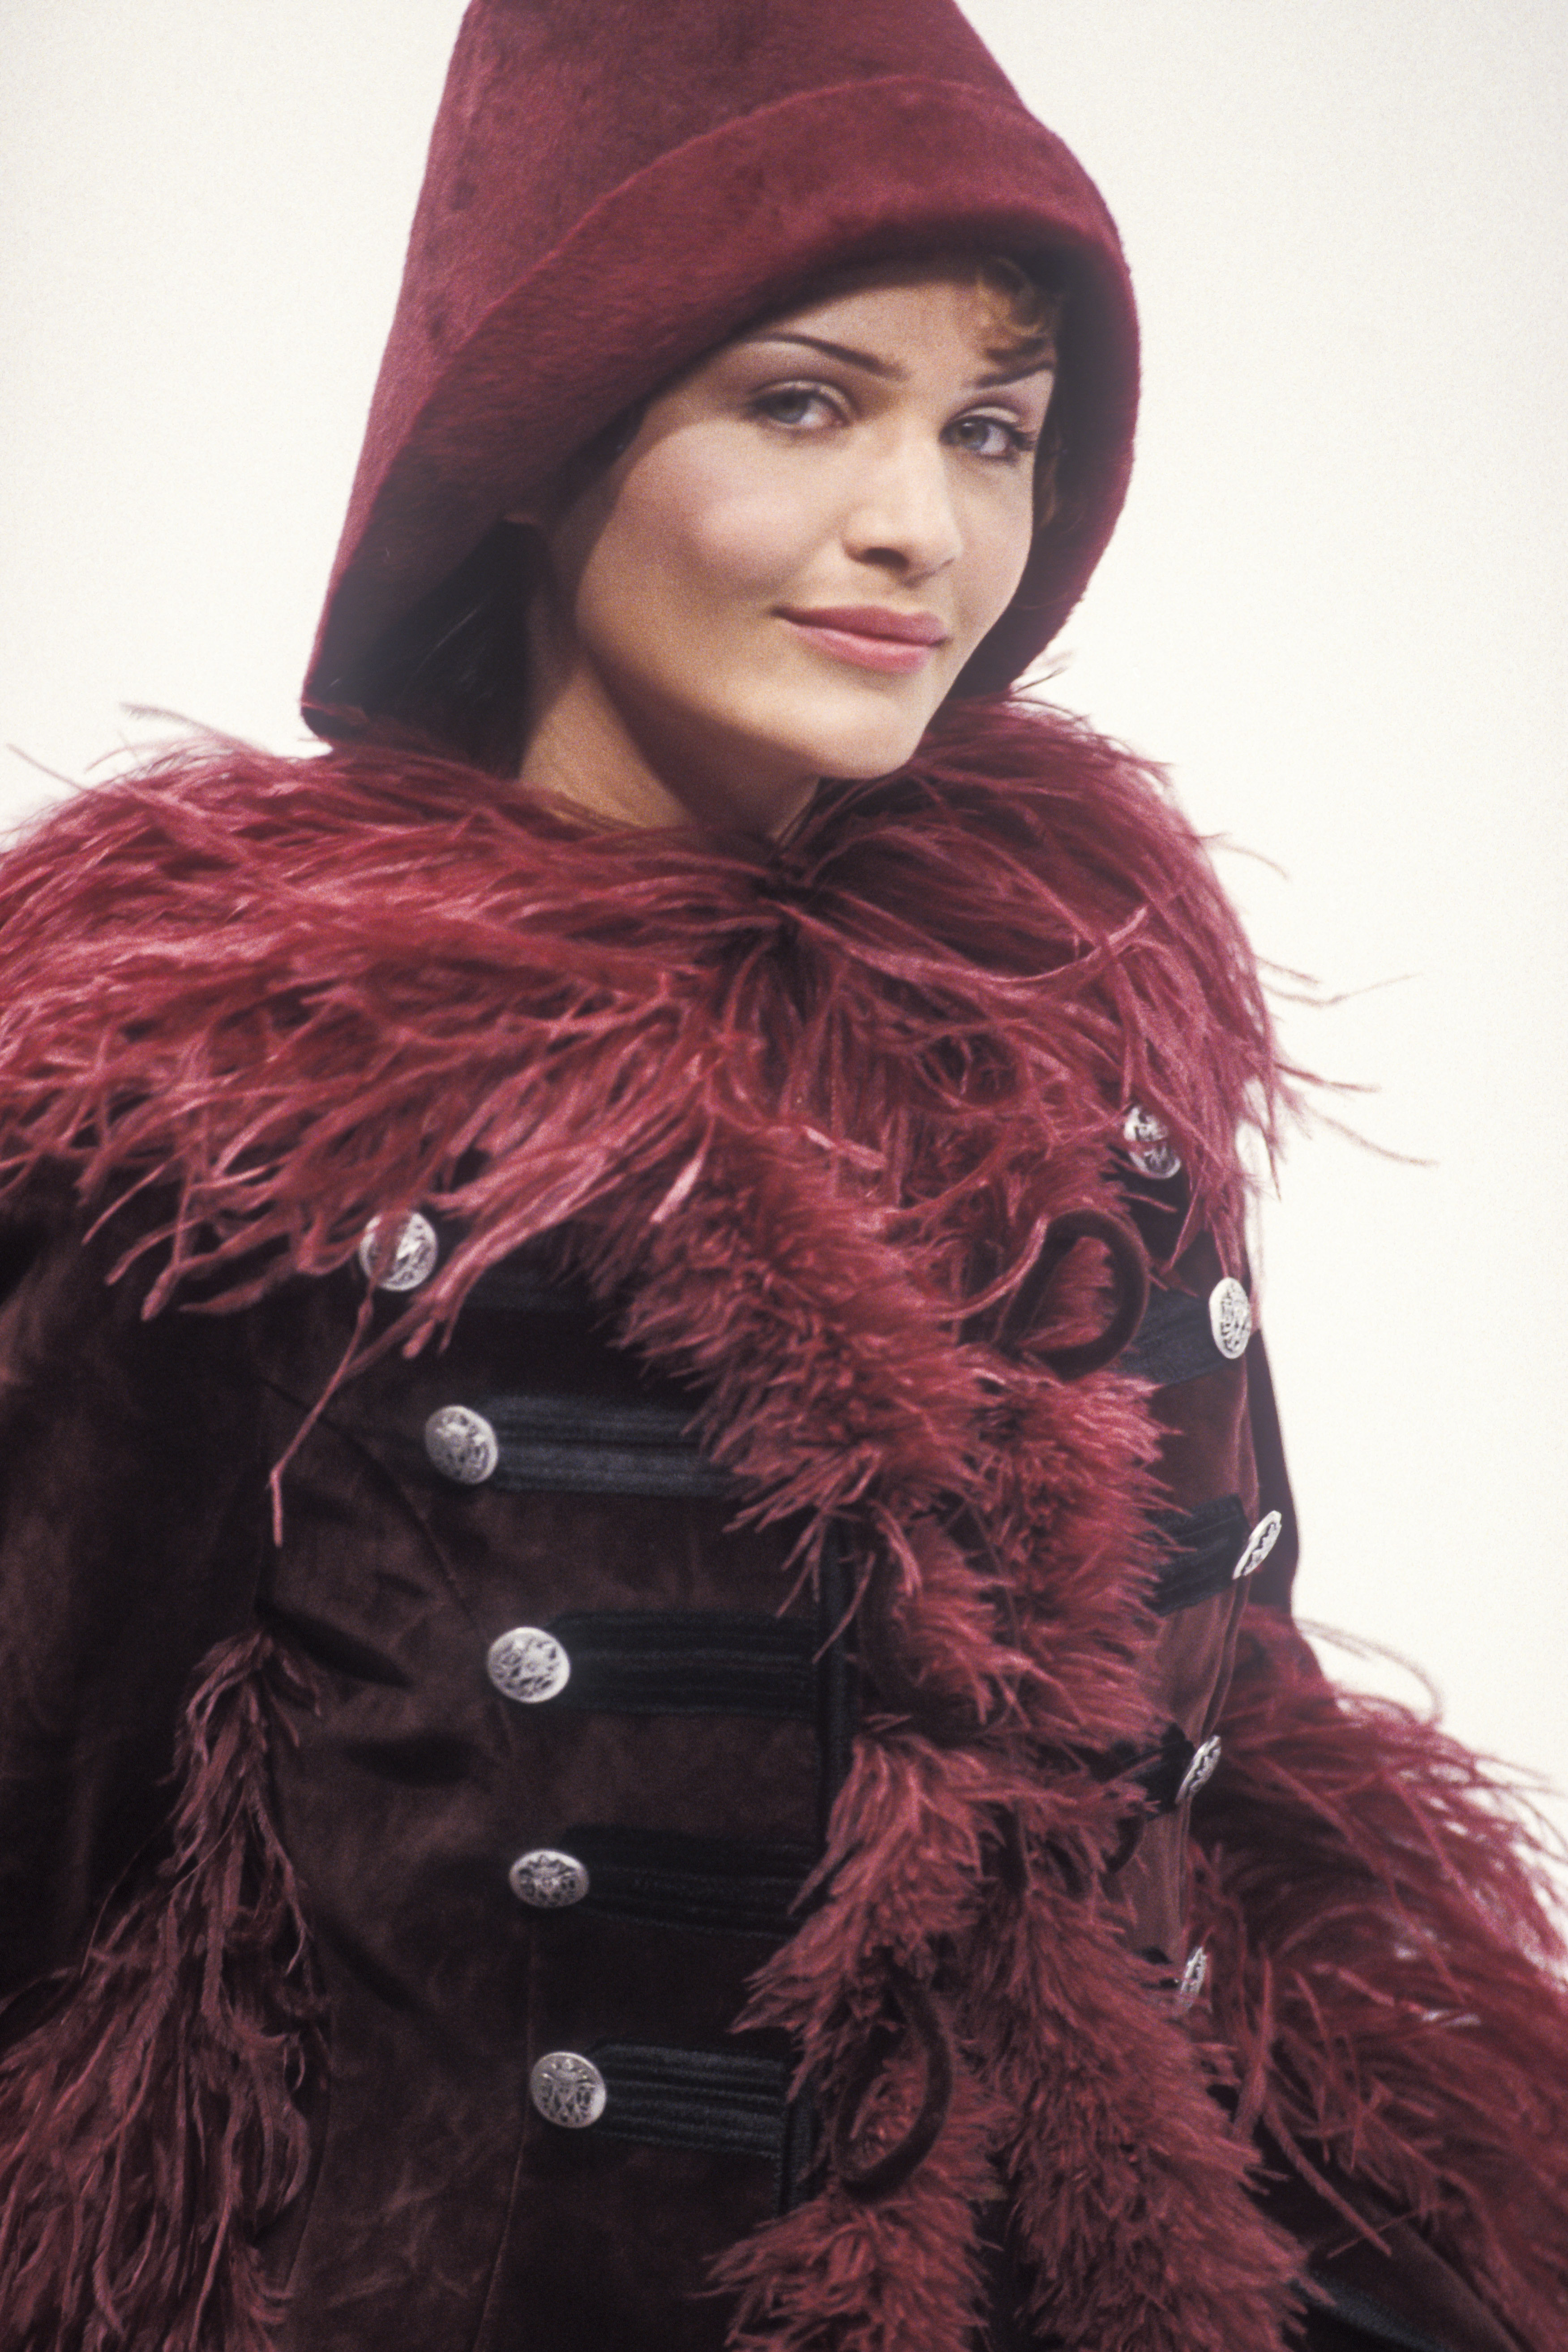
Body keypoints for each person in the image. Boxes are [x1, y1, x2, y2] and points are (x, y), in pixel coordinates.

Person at [0, 4, 1564, 2349]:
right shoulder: (229, 1115)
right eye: (806, 403)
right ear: (539, 444)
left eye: (993, 428)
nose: (924, 527)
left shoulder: (1082, 1063)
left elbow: (1224, 1801)